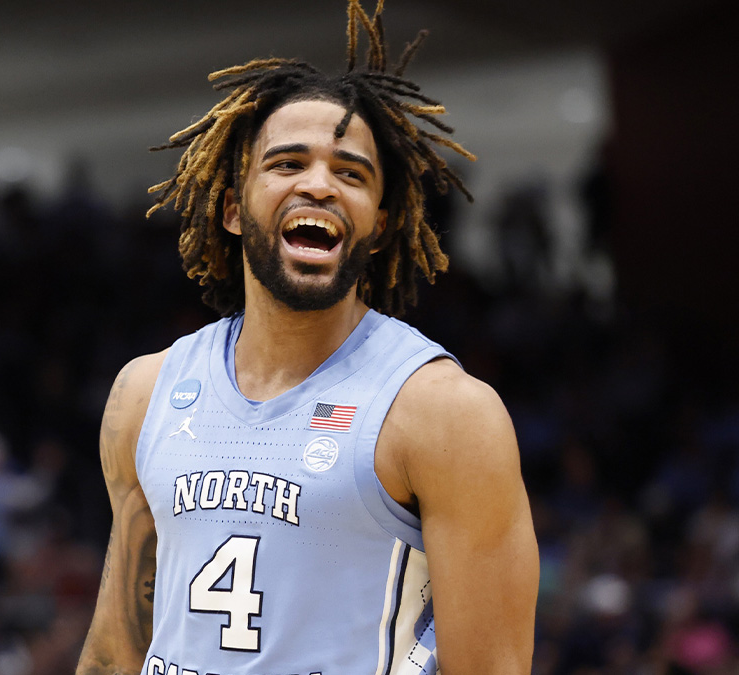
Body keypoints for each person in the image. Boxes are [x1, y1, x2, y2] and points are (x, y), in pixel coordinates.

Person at [76, 2, 539, 674]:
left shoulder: (445, 414)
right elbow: (115, 648)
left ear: (378, 226)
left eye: (350, 173)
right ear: (233, 207)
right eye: (288, 163)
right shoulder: (146, 392)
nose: (319, 184)